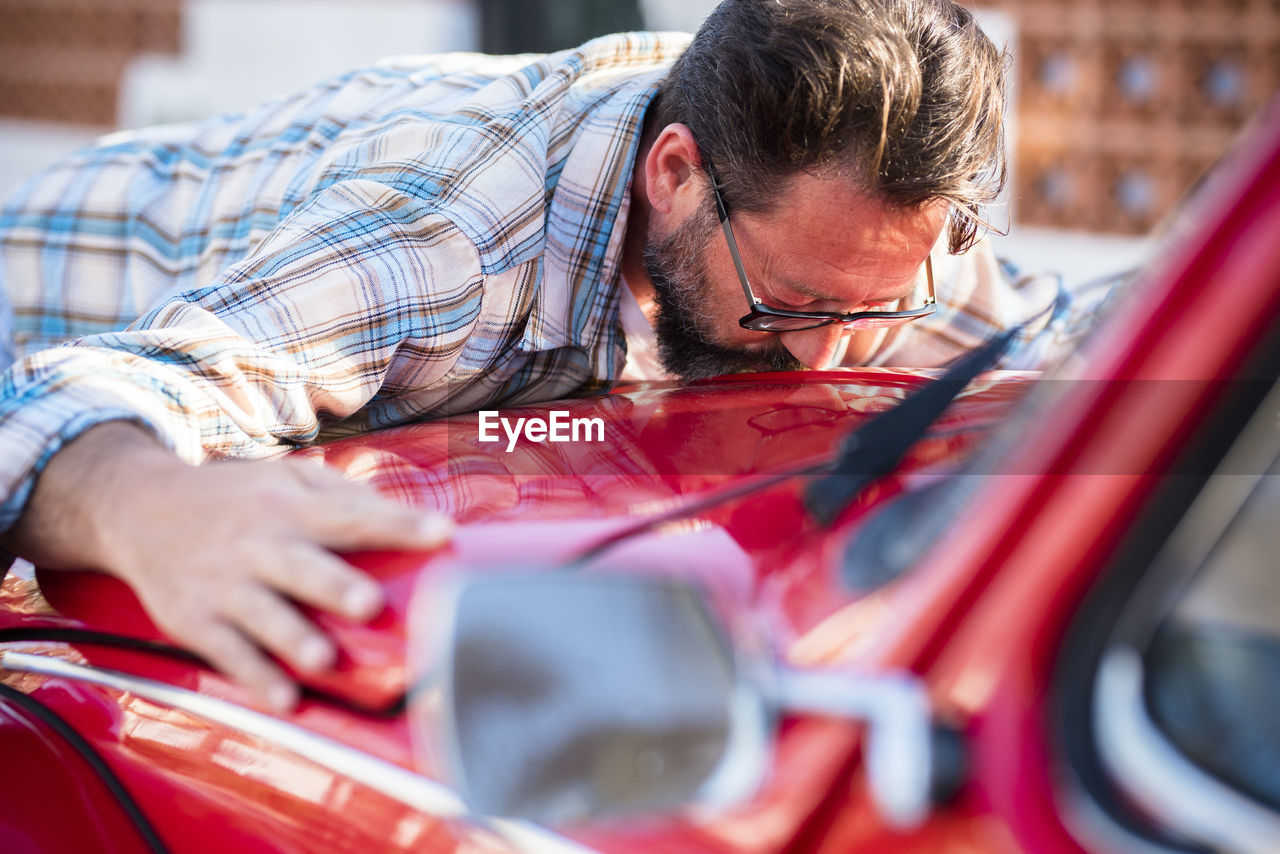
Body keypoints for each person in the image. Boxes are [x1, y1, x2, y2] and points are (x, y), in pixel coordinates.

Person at [0, 0, 1070, 710]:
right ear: (672, 173)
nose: (823, 355)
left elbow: (1058, 342)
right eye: (784, 306)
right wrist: (145, 506)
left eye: (874, 307)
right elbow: (76, 400)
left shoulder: (852, 228)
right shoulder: (447, 243)